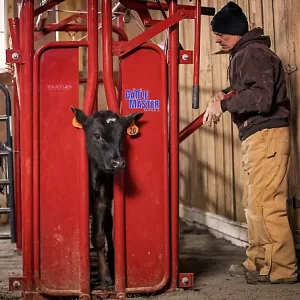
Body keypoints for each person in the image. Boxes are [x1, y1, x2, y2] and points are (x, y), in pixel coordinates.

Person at [203, 1, 298, 284]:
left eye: (220, 33)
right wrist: (223, 94)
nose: (217, 38)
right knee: (254, 203)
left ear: (234, 31)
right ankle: (258, 263)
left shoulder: (253, 53)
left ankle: (282, 268)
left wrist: (225, 104)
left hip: (267, 134)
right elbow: (246, 89)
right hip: (257, 135)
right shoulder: (243, 53)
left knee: (267, 203)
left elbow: (262, 97)